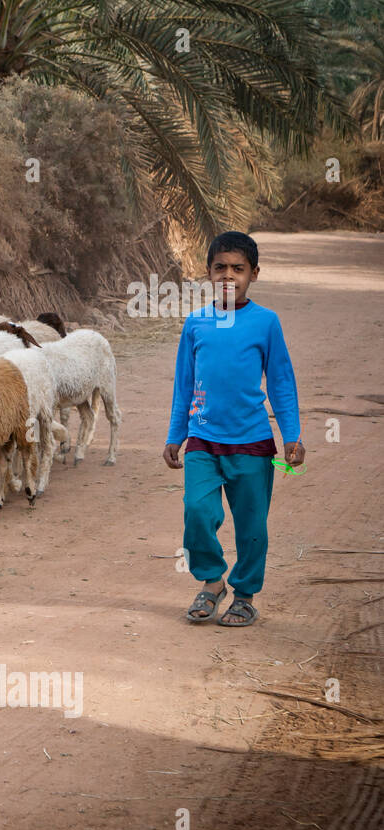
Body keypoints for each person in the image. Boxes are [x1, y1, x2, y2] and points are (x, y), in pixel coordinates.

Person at [163, 231, 303, 626]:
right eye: (220, 267)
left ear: (254, 274)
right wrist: (176, 435)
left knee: (252, 526)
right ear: (208, 273)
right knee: (196, 511)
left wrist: (292, 435)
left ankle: (244, 594)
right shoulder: (196, 323)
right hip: (202, 441)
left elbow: (280, 382)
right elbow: (184, 386)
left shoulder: (266, 323)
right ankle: (211, 580)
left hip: (253, 444)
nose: (228, 275)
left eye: (238, 269)